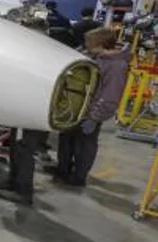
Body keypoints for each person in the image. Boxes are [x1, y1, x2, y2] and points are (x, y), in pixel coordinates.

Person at [49, 27, 129, 187]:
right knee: (66, 139)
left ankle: (78, 177)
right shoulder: (96, 57)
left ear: (101, 44)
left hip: (91, 112)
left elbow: (111, 95)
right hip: (77, 108)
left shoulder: (116, 66)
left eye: (89, 43)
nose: (86, 46)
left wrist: (95, 117)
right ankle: (63, 169)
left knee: (84, 145)